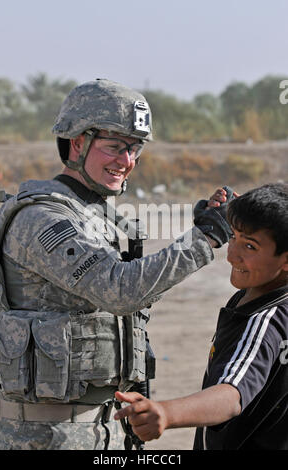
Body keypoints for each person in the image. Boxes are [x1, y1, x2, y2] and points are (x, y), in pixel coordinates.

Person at [0, 79, 234, 450]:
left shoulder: (93, 215)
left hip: (104, 432)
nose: (127, 161)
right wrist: (205, 238)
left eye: (135, 149)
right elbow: (120, 289)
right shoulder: (40, 217)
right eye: (114, 147)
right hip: (46, 439)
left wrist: (199, 230)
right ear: (77, 143)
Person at [114, 183, 288, 450]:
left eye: (250, 247)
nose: (232, 255)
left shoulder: (262, 322)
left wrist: (167, 413)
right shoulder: (271, 299)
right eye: (234, 236)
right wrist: (240, 210)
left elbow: (231, 395)